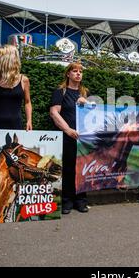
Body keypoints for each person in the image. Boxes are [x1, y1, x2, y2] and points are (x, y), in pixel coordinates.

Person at [50, 62, 90, 214]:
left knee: (82, 169)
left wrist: (88, 104)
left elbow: (94, 115)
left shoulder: (84, 93)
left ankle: (81, 200)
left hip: (82, 139)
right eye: (75, 71)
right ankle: (67, 201)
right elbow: (54, 113)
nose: (78, 74)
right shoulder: (61, 92)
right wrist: (67, 130)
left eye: (80, 71)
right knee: (67, 169)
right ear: (68, 74)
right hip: (66, 137)